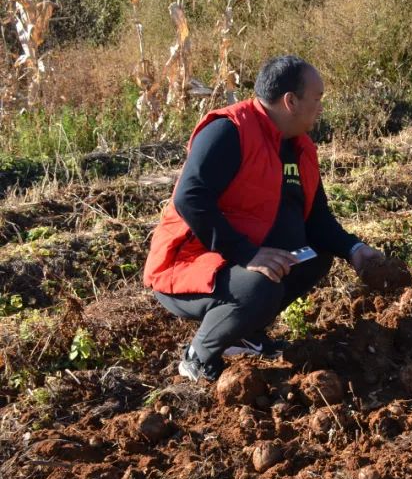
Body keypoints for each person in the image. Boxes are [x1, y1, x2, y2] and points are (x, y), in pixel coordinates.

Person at [143, 55, 386, 382]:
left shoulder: (300, 148)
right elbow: (190, 198)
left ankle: (245, 335)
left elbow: (317, 219)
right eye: (317, 99)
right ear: (291, 102)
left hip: (236, 261)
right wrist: (247, 254)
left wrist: (354, 248)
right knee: (261, 285)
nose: (320, 107)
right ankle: (198, 358)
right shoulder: (229, 131)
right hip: (185, 265)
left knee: (313, 258)